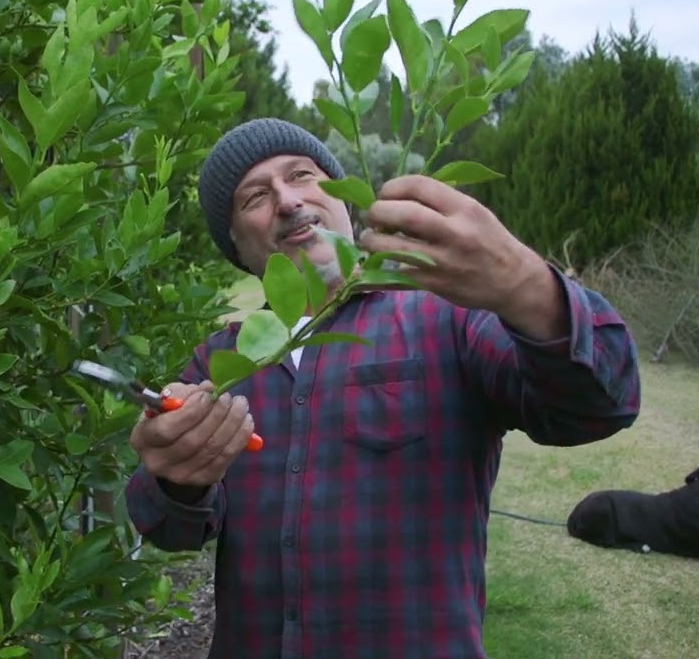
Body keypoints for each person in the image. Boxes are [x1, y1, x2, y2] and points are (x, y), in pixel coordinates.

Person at [123, 117, 641, 658]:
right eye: (255, 195)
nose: (287, 200)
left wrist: (525, 286)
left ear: (344, 200)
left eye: (301, 174)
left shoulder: (446, 316)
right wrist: (177, 479)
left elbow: (601, 405)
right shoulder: (222, 360)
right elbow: (166, 526)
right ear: (236, 245)